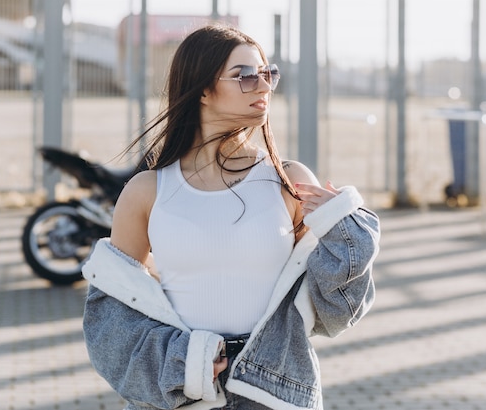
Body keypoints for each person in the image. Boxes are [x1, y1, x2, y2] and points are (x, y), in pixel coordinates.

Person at [82, 24, 380, 410]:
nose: (263, 86)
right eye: (244, 76)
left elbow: (334, 312)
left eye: (267, 73)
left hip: (273, 387)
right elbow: (112, 313)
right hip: (181, 390)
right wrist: (183, 362)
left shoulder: (289, 182)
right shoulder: (146, 191)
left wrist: (345, 231)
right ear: (203, 89)